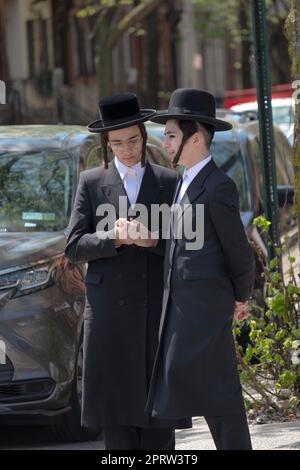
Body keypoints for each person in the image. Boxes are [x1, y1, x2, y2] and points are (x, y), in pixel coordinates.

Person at [65, 93, 190, 450]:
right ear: (107, 143)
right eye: (117, 143)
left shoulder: (169, 181)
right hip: (108, 317)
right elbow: (73, 246)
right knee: (117, 425)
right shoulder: (91, 182)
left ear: (144, 136)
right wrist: (113, 237)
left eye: (133, 140)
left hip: (155, 309)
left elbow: (186, 246)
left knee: (158, 424)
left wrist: (155, 242)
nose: (126, 149)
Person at [146, 88, 255, 450]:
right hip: (183, 311)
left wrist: (241, 297)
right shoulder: (183, 181)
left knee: (220, 399)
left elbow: (238, 251)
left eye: (172, 134)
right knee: (207, 395)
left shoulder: (218, 186)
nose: (165, 140)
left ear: (195, 138)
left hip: (206, 312)